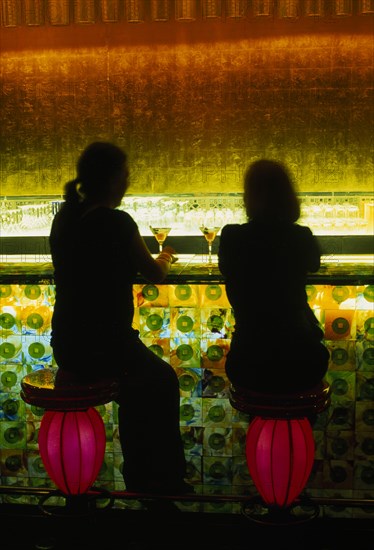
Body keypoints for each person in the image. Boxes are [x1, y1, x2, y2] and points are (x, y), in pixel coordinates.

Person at [49, 141, 191, 496]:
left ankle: (138, 478)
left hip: (67, 344)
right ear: (112, 179)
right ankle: (163, 481)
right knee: (161, 380)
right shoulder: (117, 222)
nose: (128, 182)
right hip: (107, 343)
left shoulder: (64, 218)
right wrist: (168, 257)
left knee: (137, 386)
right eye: (125, 175)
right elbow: (154, 274)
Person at [218, 159, 330, 394]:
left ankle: (259, 429)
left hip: (247, 362)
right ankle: (300, 428)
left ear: (248, 196)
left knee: (259, 402)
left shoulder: (231, 237)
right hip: (303, 361)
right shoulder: (300, 236)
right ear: (288, 197)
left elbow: (227, 270)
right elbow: (315, 264)